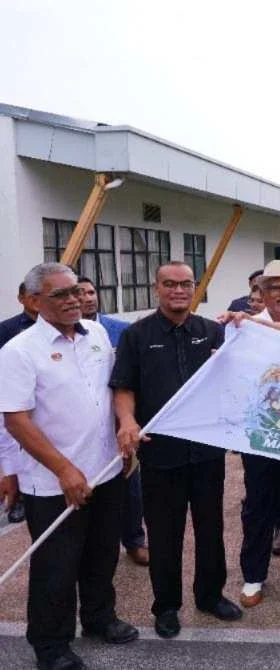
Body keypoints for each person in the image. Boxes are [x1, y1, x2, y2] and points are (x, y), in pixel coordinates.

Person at [1, 263, 138, 670]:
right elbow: (16, 419)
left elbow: (113, 391)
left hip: (106, 470)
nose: (73, 300)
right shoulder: (18, 351)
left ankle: (99, 618)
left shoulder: (96, 334)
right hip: (53, 481)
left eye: (76, 291)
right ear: (32, 301)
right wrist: (63, 469)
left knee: (101, 554)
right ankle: (50, 644)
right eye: (59, 294)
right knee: (56, 566)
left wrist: (124, 432)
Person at [111, 261, 242, 639]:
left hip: (205, 451)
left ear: (195, 289)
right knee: (165, 535)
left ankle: (210, 595)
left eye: (186, 284)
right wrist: (127, 421)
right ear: (157, 288)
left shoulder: (213, 331)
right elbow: (123, 387)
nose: (178, 291)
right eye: (170, 284)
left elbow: (236, 374)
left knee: (211, 528)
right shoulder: (137, 335)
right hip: (160, 454)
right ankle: (166, 606)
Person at [217, 260, 280, 607]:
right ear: (260, 292)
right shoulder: (241, 326)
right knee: (259, 504)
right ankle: (253, 575)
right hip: (259, 430)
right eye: (273, 287)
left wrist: (255, 327)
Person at [75, 276, 150, 568]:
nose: (88, 298)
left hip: (118, 419)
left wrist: (129, 418)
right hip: (79, 427)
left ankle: (135, 540)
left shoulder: (120, 330)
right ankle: (87, 546)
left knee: (129, 484)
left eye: (92, 292)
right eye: (80, 293)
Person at [0, 282, 37, 526]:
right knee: (16, 448)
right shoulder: (7, 330)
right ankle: (20, 497)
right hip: (18, 401)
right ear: (21, 298)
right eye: (31, 296)